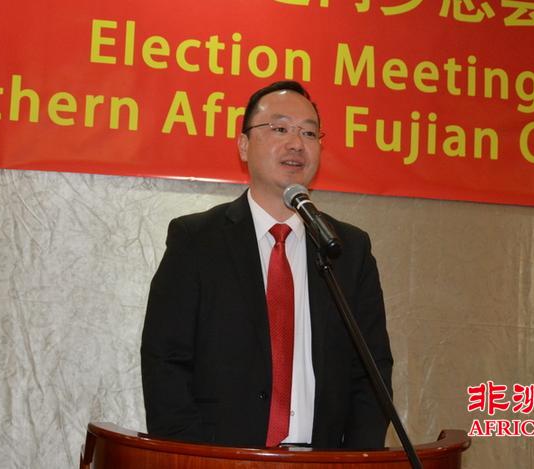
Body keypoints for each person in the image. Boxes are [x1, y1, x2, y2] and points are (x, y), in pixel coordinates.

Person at [141, 80, 393, 449]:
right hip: (220, 459)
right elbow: (165, 361)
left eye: (309, 132)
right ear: (244, 145)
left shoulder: (347, 250)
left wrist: (354, 460)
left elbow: (372, 372)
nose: (296, 143)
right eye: (280, 128)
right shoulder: (197, 240)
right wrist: (194, 458)